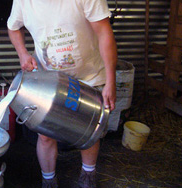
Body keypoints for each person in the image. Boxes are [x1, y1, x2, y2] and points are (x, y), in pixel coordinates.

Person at [7, 0, 117, 187]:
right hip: (49, 78)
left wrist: (111, 80)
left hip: (88, 76)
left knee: (90, 126)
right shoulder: (23, 1)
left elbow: (104, 32)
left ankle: (88, 175)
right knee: (45, 134)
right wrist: (23, 54)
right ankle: (48, 180)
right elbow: (13, 27)